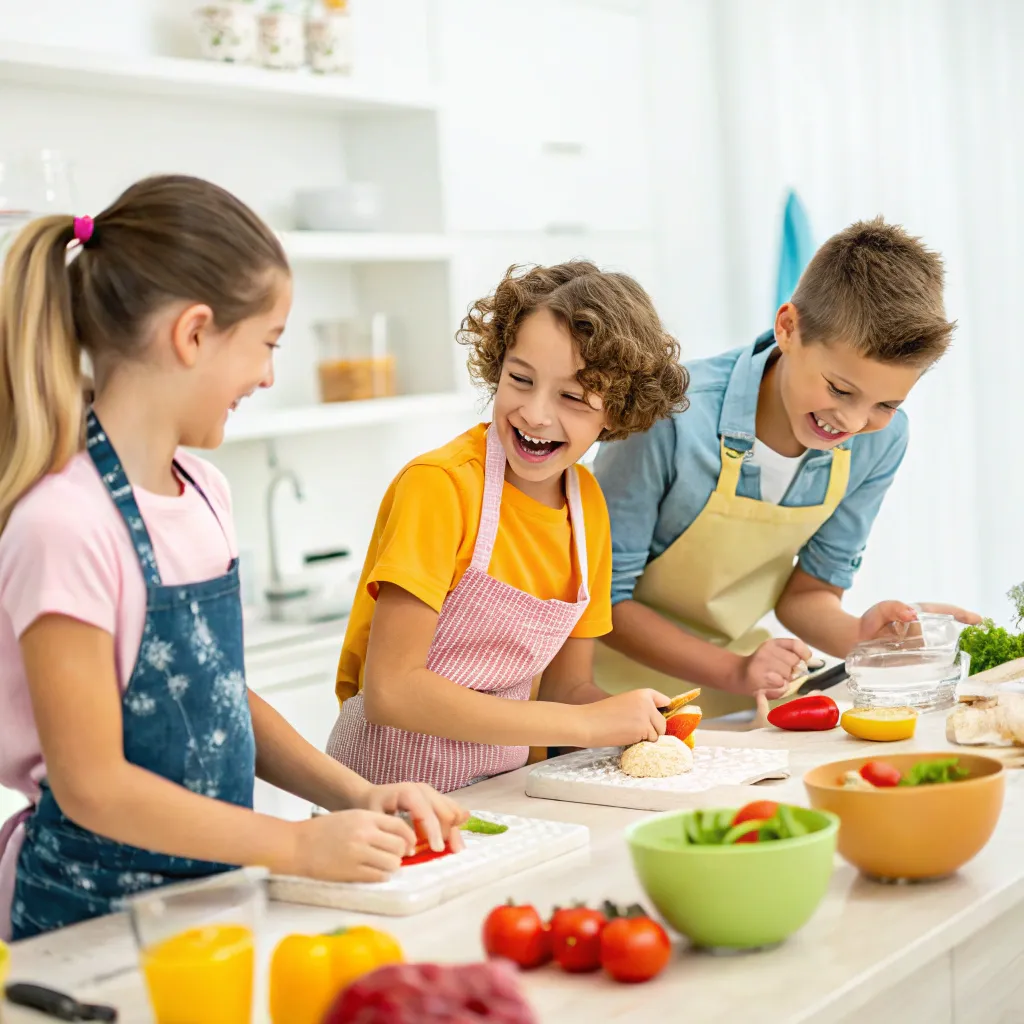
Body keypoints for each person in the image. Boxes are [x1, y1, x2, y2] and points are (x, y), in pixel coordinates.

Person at [0, 175, 465, 942]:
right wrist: (292, 846)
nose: (269, 376)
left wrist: (358, 794)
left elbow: (217, 697)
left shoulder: (205, 491)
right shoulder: (64, 524)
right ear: (193, 332)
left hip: (204, 901)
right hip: (83, 920)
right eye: (268, 343)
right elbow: (93, 786)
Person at [593, 218, 980, 718]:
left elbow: (809, 594)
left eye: (886, 403)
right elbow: (599, 602)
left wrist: (863, 637)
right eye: (840, 389)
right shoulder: (670, 418)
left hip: (734, 697)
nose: (853, 421)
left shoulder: (879, 443)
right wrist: (734, 670)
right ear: (788, 328)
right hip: (605, 698)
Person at [327, 261, 688, 792]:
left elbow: (565, 691)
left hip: (506, 791)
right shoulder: (441, 487)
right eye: (520, 380)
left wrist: (630, 717)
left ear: (615, 411)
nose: (536, 414)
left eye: (572, 397)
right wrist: (585, 724)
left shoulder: (586, 508)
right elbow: (392, 692)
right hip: (385, 795)